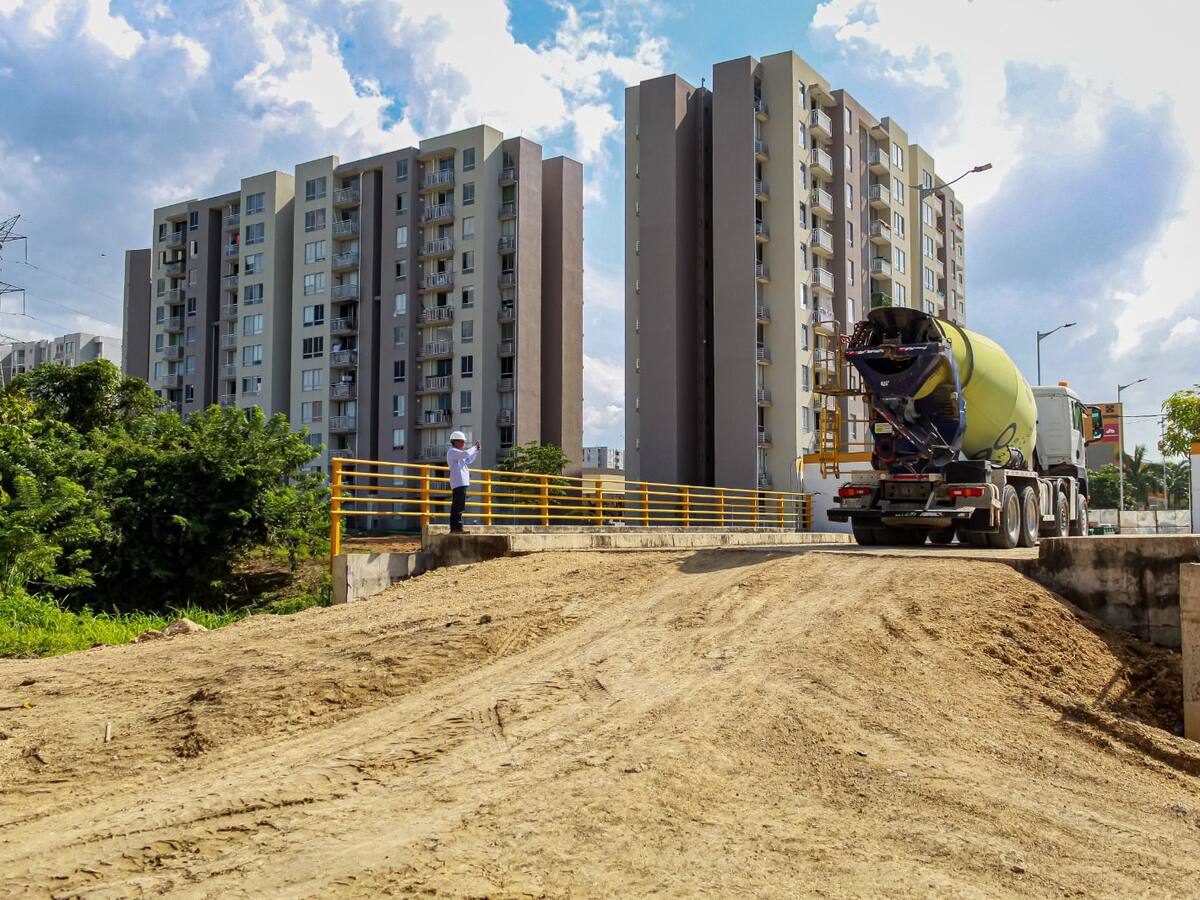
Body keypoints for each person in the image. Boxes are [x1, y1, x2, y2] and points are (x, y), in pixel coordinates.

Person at [446, 430, 481, 533]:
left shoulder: (458, 453)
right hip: (458, 482)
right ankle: (456, 527)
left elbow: (469, 459)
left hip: (462, 482)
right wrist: (474, 448)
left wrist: (476, 451)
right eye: (461, 441)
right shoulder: (452, 452)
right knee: (458, 506)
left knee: (459, 505)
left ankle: (457, 527)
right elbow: (466, 454)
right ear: (455, 441)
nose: (463, 443)